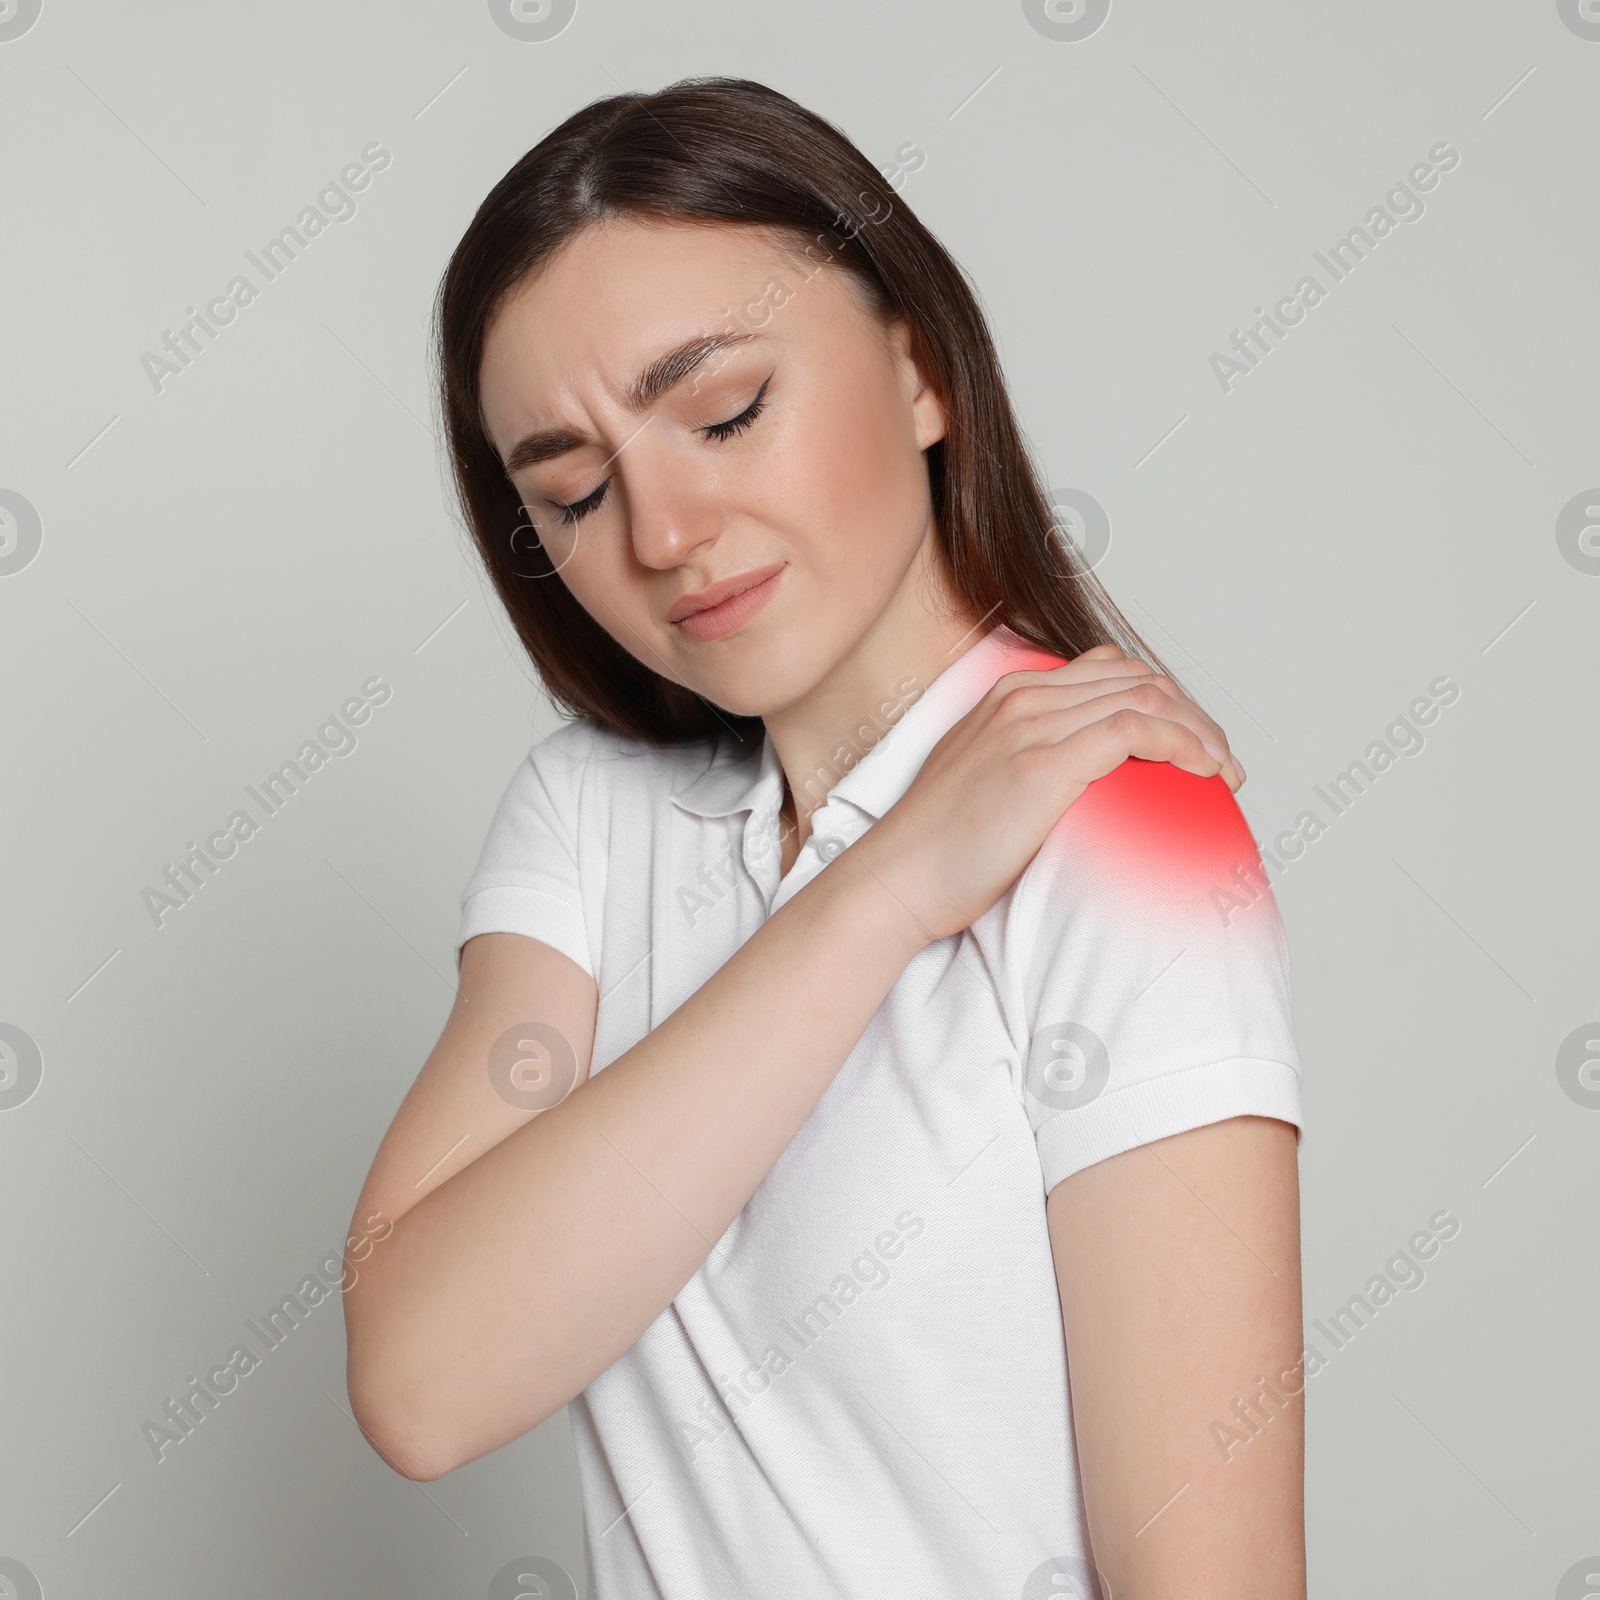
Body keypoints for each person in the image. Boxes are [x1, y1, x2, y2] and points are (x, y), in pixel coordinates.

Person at [343, 76, 1306, 1600]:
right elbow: (421, 1378)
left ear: (921, 370)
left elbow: (1213, 1579)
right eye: (578, 493)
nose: (662, 532)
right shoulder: (590, 821)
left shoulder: (1121, 824)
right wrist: (887, 888)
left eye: (724, 412)